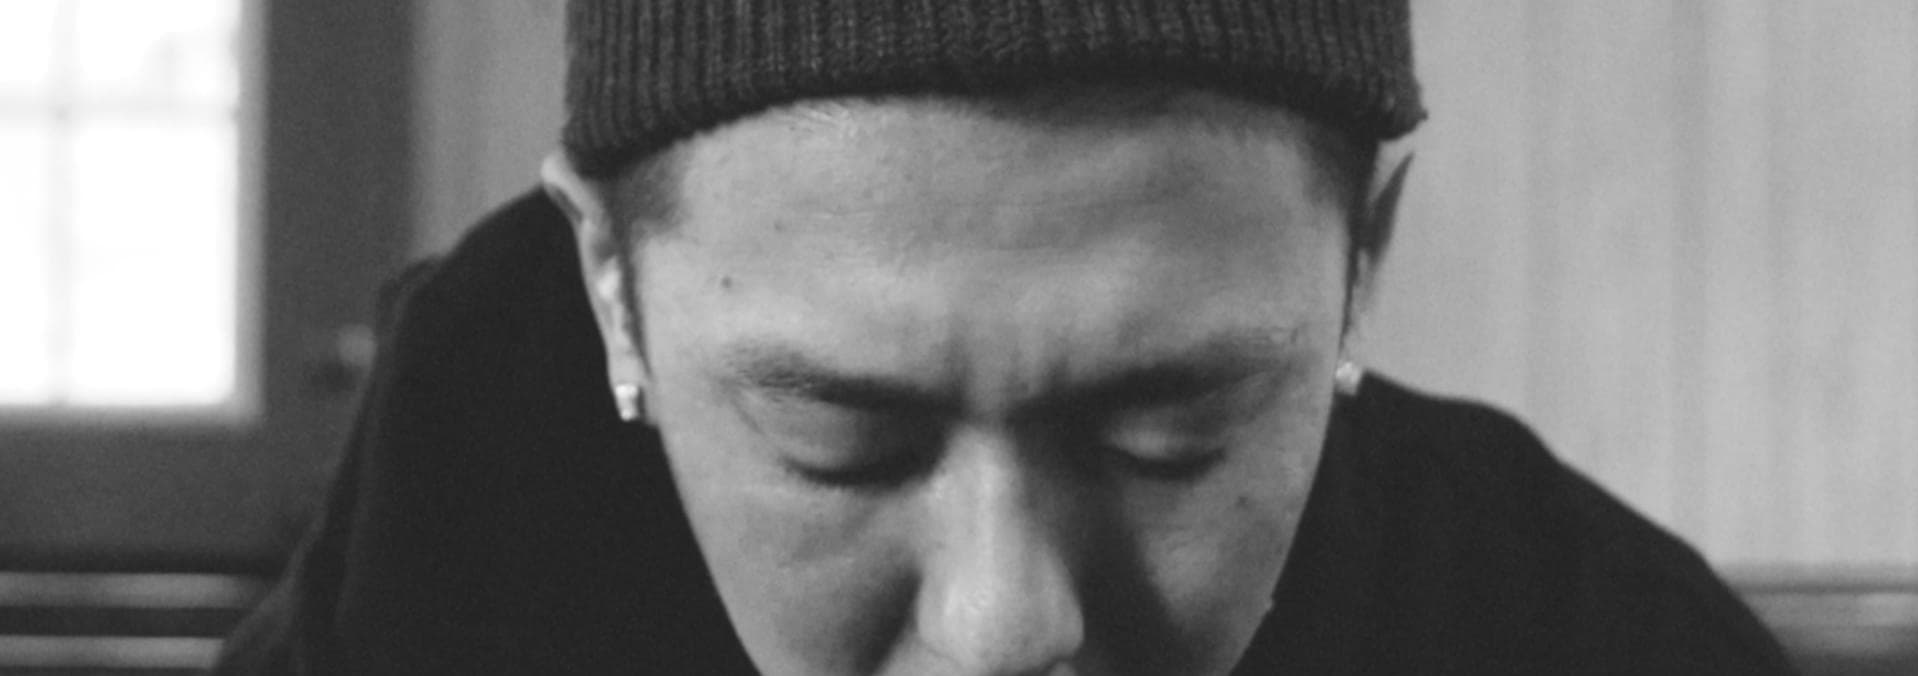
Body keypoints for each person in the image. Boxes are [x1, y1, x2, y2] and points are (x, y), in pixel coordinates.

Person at [217, 1, 1796, 674]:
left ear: (1359, 262)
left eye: (1164, 430)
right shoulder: (457, 498)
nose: (1000, 628)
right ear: (613, 291)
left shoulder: (1592, 637)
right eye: (842, 440)